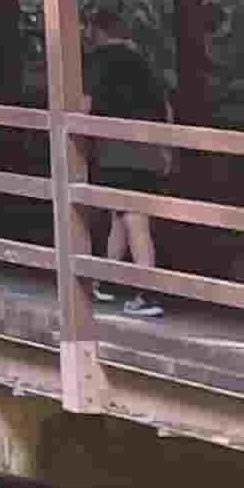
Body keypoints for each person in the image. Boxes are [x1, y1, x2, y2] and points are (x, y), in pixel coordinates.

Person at [79, 36, 173, 320]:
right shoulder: (147, 72)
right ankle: (106, 280)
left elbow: (83, 108)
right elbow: (167, 109)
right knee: (121, 218)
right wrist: (166, 150)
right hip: (151, 153)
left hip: (118, 154)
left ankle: (148, 293)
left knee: (133, 219)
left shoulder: (98, 67)